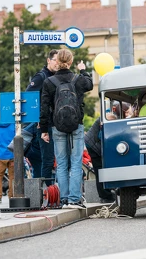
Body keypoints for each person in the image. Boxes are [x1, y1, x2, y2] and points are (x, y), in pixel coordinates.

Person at [40, 49, 93, 209]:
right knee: (76, 162)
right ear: (70, 62)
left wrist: (44, 129)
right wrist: (83, 69)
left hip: (57, 126)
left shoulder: (49, 82)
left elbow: (44, 108)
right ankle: (75, 200)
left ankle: (63, 200)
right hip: (76, 125)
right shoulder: (77, 79)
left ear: (57, 62)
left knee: (61, 163)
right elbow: (89, 84)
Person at [26, 49, 58, 185]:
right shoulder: (41, 76)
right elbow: (29, 97)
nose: (57, 63)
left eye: (60, 61)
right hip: (43, 124)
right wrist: (39, 118)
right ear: (48, 60)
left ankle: (47, 190)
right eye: (55, 60)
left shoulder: (55, 77)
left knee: (49, 159)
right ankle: (47, 191)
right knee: (47, 159)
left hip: (53, 123)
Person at [84, 116, 115, 203]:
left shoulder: (106, 118)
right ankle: (105, 196)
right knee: (100, 170)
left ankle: (106, 194)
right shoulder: (107, 120)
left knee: (100, 170)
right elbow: (102, 137)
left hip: (91, 143)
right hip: (93, 145)